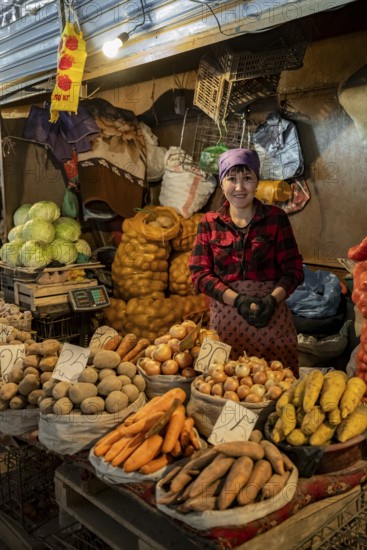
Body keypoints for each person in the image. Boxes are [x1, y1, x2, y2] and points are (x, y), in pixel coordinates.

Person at [189, 148, 304, 374]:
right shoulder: (209, 222)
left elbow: (294, 269)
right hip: (226, 321)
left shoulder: (276, 218)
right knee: (223, 388)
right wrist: (237, 300)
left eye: (247, 178)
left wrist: (271, 300)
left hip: (272, 320)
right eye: (232, 179)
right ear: (222, 183)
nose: (239, 187)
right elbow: (199, 274)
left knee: (277, 388)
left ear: (257, 182)